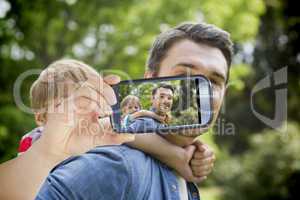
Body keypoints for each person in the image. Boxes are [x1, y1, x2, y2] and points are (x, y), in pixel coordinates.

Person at [36, 22, 233, 200]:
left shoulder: (179, 169)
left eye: (214, 82)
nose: (198, 91)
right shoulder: (117, 166)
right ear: (150, 78)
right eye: (184, 74)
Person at [0, 59, 206, 199]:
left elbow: (133, 136)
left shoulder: (98, 139)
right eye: (62, 105)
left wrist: (175, 154)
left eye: (88, 101)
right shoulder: (33, 145)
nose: (78, 113)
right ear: (40, 118)